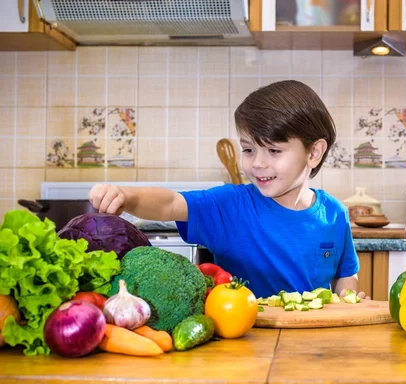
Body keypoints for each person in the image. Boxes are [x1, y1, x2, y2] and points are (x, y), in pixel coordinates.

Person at [89, 80, 363, 299]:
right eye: (248, 149)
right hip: (240, 342)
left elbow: (345, 274)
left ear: (314, 152)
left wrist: (348, 297)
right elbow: (170, 203)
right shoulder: (231, 206)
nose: (257, 163)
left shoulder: (334, 214)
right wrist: (128, 196)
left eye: (273, 150)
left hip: (310, 346)